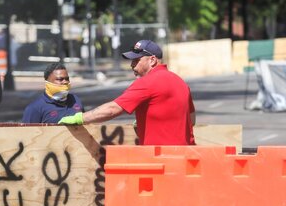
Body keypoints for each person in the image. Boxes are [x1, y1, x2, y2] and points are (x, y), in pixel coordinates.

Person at [59, 39, 196, 145]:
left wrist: (80, 118)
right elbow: (192, 120)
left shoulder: (147, 83)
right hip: (186, 157)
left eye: (136, 61)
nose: (132, 65)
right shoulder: (180, 82)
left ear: (152, 60)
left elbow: (112, 109)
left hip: (161, 159)